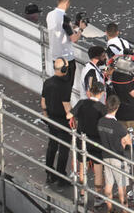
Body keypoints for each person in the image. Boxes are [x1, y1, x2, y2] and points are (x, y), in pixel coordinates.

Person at [97, 95, 133, 212]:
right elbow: (128, 142)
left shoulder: (101, 122)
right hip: (118, 158)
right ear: (117, 107)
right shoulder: (119, 126)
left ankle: (110, 208)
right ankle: (124, 210)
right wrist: (123, 143)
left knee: (109, 184)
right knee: (122, 187)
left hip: (106, 157)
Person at [41, 57, 74, 187]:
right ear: (65, 69)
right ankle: (61, 175)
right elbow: (67, 107)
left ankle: (49, 172)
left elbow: (43, 102)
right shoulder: (65, 85)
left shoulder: (47, 82)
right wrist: (73, 119)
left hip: (51, 119)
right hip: (62, 121)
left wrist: (46, 116)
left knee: (52, 145)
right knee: (64, 149)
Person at [71, 78, 107, 196]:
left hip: (82, 140)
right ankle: (98, 197)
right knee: (98, 171)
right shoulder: (102, 108)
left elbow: (68, 115)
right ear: (101, 93)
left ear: (90, 91)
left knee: (82, 168)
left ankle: (82, 193)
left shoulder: (81, 103)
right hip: (97, 142)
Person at [45, 0, 82, 87]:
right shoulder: (65, 17)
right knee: (66, 88)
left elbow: (60, 29)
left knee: (58, 85)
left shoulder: (49, 15)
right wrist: (81, 29)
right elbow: (74, 39)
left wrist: (74, 26)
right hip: (67, 59)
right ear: (67, 3)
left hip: (55, 57)